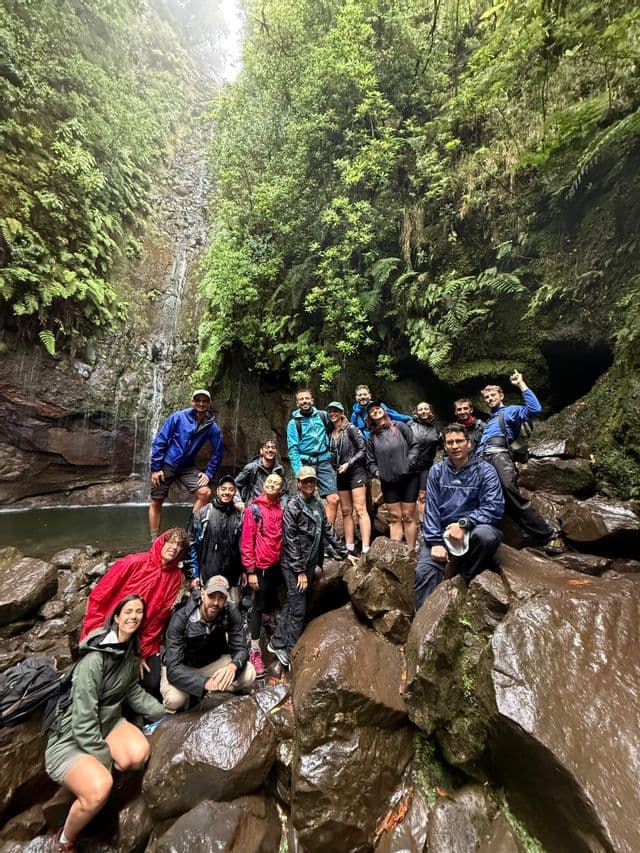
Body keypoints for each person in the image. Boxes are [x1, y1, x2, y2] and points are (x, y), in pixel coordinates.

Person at [46, 596, 164, 852]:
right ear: (117, 617)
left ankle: (97, 773)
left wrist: (164, 713)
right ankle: (65, 839)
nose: (134, 616)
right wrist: (104, 759)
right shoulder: (94, 660)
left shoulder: (130, 654)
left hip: (108, 723)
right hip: (69, 738)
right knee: (100, 788)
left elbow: (133, 692)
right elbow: (82, 718)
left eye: (139, 612)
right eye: (129, 612)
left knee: (138, 754)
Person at [81, 529, 190, 696]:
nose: (174, 548)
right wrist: (94, 633)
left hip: (143, 641)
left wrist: (140, 653)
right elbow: (98, 598)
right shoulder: (132, 562)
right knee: (103, 680)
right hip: (111, 629)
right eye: (171, 542)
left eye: (179, 546)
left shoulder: (175, 576)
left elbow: (157, 620)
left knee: (151, 683)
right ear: (162, 542)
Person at [414, 424, 504, 610]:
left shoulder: (485, 470)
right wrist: (435, 542)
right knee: (424, 571)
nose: (455, 446)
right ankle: (422, 623)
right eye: (450, 442)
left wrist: (464, 524)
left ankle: (464, 578)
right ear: (445, 447)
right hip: (442, 533)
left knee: (487, 536)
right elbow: (430, 509)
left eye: (459, 441)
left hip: (472, 529)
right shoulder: (437, 471)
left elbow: (494, 506)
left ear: (469, 443)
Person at [267, 467, 349, 668]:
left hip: (310, 562)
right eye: (305, 482)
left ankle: (276, 641)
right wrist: (299, 571)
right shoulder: (293, 507)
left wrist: (345, 552)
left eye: (312, 481)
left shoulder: (317, 504)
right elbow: (290, 540)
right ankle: (288, 652)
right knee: (298, 610)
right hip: (295, 565)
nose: (309, 485)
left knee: (293, 602)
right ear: (299, 483)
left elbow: (327, 530)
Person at [476, 371, 563, 554]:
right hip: (481, 459)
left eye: (493, 395)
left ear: (501, 396)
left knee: (510, 491)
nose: (490, 398)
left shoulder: (511, 411)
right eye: (486, 397)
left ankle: (548, 535)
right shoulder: (489, 420)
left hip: (499, 455)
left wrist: (521, 384)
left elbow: (534, 410)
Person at [161, 575, 256, 712]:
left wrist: (232, 666)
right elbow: (174, 669)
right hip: (182, 667)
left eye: (221, 598)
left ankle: (205, 693)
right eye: (212, 596)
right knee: (175, 700)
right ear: (203, 594)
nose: (216, 603)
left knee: (249, 672)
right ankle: (195, 695)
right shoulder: (181, 618)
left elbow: (241, 648)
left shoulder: (230, 612)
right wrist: (203, 683)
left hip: (211, 663)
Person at [149, 389, 223, 540]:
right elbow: (160, 440)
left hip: (187, 466)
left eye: (204, 401)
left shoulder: (211, 426)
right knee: (156, 500)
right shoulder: (178, 417)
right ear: (192, 402)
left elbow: (218, 451)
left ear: (209, 403)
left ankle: (188, 533)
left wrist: (208, 473)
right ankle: (154, 538)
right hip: (167, 463)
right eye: (198, 400)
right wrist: (156, 468)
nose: (201, 403)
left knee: (205, 493)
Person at [240, 473, 285, 677]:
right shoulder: (254, 509)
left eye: (276, 483)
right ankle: (254, 650)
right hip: (259, 567)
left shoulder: (279, 508)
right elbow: (247, 541)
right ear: (264, 484)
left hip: (274, 565)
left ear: (281, 488)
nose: (272, 485)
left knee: (266, 600)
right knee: (257, 606)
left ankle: (266, 622)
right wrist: (250, 571)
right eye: (269, 482)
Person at [365, 401, 420, 549]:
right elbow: (370, 460)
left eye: (378, 408)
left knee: (408, 516)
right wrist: (378, 473)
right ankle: (396, 554)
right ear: (370, 417)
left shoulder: (400, 426)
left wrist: (408, 465)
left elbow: (414, 445)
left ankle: (411, 551)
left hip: (409, 477)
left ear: (384, 410)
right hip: (388, 481)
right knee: (394, 517)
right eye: (372, 411)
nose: (376, 411)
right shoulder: (372, 438)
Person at [286, 389, 339, 526]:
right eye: (301, 399)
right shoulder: (293, 424)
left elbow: (337, 423)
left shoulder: (322, 416)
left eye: (307, 398)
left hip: (323, 461)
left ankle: (326, 534)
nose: (304, 401)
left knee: (333, 499)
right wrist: (299, 472)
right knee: (306, 500)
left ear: (312, 400)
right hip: (306, 463)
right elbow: (293, 449)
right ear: (297, 403)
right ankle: (307, 531)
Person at [187, 475, 243, 600]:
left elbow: (244, 547)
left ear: (234, 492)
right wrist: (193, 574)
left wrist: (245, 571)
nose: (227, 492)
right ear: (217, 490)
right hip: (207, 575)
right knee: (207, 612)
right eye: (223, 489)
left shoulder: (240, 516)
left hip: (233, 577)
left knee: (232, 612)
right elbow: (191, 545)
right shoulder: (202, 514)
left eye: (230, 489)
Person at [326, 401, 371, 554]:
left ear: (341, 412)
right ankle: (349, 545)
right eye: (330, 411)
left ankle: (366, 548)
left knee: (360, 509)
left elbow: (363, 449)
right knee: (346, 511)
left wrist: (349, 464)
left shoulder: (351, 428)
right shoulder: (330, 432)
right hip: (340, 474)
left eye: (335, 411)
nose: (333, 414)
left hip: (356, 472)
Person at [409, 402, 442, 522]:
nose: (423, 411)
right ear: (417, 412)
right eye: (421, 409)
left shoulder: (435, 430)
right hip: (409, 466)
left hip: (426, 467)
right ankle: (377, 503)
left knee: (422, 496)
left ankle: (422, 525)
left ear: (430, 411)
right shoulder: (409, 425)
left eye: (426, 409)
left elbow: (442, 445)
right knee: (404, 493)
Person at [234, 437, 288, 509]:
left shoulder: (279, 470)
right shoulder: (252, 468)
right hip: (254, 510)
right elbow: (235, 484)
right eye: (267, 447)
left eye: (273, 447)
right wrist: (237, 501)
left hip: (272, 511)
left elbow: (283, 492)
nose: (270, 450)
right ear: (261, 450)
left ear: (276, 451)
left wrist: (282, 507)